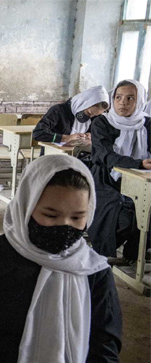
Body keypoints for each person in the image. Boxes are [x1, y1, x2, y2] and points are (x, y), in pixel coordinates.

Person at [0, 155, 122, 363]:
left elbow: (105, 346)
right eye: (50, 215)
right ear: (26, 206)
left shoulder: (94, 270)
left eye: (77, 218)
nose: (64, 226)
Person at [88, 79, 151, 263]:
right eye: (118, 97)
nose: (123, 102)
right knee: (122, 215)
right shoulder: (102, 122)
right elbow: (105, 156)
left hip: (140, 178)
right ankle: (105, 251)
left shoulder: (147, 123)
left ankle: (135, 253)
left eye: (130, 98)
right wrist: (139, 164)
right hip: (106, 179)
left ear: (140, 101)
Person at [33, 86, 109, 145]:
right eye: (89, 113)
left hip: (77, 156)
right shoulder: (58, 111)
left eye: (94, 115)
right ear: (83, 104)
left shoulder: (94, 117)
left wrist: (91, 138)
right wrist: (66, 138)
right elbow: (38, 133)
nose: (91, 117)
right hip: (53, 155)